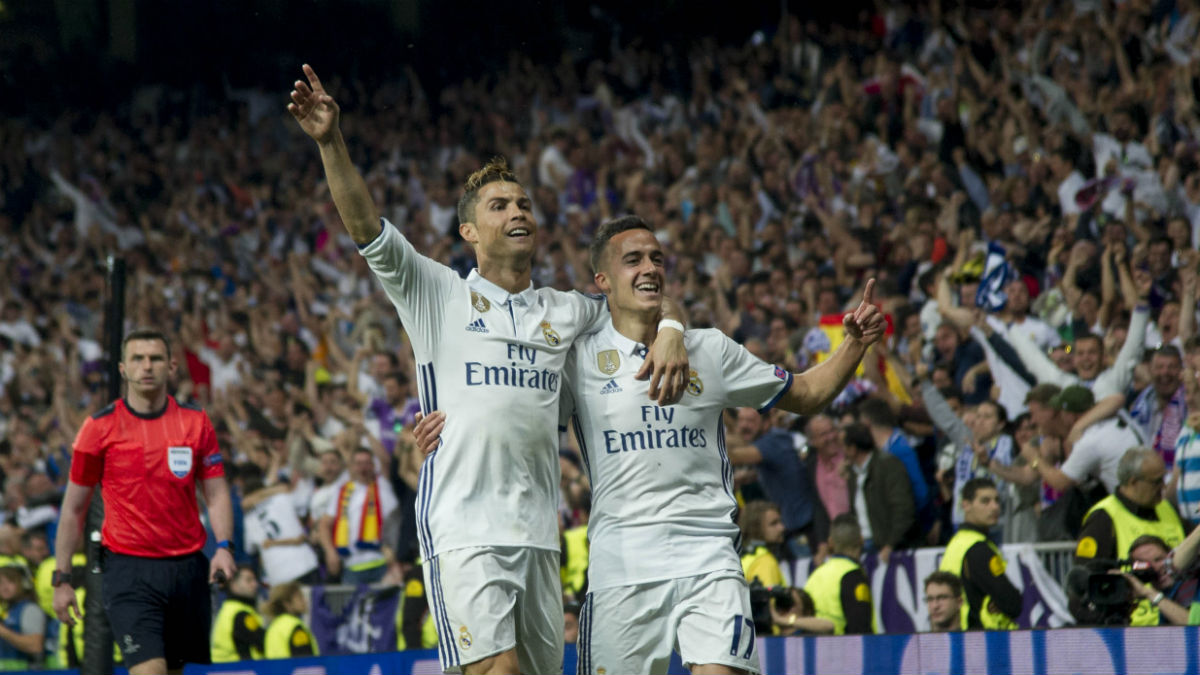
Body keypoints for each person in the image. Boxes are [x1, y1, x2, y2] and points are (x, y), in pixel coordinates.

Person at [288, 65, 688, 675]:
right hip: (463, 527)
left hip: (537, 533)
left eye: (524, 203)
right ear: (470, 230)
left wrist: (671, 331)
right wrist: (330, 142)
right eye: (499, 205)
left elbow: (645, 294)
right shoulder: (437, 294)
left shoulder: (567, 309)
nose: (517, 211)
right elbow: (366, 229)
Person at [553, 217, 884, 673]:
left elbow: (807, 394)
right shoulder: (578, 359)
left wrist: (853, 345)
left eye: (656, 258)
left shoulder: (710, 349)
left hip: (709, 558)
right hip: (621, 567)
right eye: (633, 260)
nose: (649, 267)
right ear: (602, 281)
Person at [51, 328, 236, 675]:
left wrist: (224, 546)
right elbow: (73, 508)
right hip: (129, 570)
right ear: (123, 369)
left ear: (172, 366)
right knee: (149, 671)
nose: (146, 366)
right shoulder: (98, 428)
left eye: (155, 358)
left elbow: (216, 490)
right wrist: (62, 579)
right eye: (137, 358)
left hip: (187, 568)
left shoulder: (196, 423)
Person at [1073, 448, 1186, 582]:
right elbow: (1085, 577)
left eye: (1163, 479)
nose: (1163, 487)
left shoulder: (1167, 508)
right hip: (1135, 601)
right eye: (1156, 482)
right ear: (1133, 482)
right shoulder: (1103, 517)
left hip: (1178, 601)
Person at [938, 478, 1022, 630]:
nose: (995, 507)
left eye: (996, 500)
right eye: (985, 501)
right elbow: (1012, 603)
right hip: (984, 638)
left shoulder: (956, 543)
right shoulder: (979, 549)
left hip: (961, 635)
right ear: (966, 505)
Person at [321, 447, 398, 585]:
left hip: (382, 563)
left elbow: (396, 522)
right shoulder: (342, 491)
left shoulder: (383, 486)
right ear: (351, 467)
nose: (363, 468)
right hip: (351, 567)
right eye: (358, 463)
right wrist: (330, 552)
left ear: (373, 466)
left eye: (367, 463)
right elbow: (324, 524)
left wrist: (393, 551)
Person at [841, 422, 917, 562]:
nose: (841, 452)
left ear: (852, 449)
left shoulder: (888, 465)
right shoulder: (851, 474)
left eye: (843, 447)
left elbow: (903, 508)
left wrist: (890, 544)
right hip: (864, 546)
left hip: (888, 547)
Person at [802, 514, 875, 635]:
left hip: (815, 649)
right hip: (842, 650)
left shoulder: (814, 575)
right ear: (861, 540)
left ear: (830, 542)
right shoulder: (853, 576)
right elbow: (860, 627)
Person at [210, 565, 266, 663]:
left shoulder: (230, 608)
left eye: (255, 580)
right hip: (236, 669)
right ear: (233, 584)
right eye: (249, 580)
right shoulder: (241, 614)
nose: (255, 584)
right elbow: (263, 641)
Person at [0, 565, 45, 670]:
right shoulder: (9, 610)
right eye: (0, 583)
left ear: (23, 584)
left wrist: (3, 631)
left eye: (10, 582)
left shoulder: (30, 609)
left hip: (25, 671)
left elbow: (35, 645)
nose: (4, 587)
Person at [262, 582, 317, 659]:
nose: (305, 601)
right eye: (300, 597)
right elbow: (305, 663)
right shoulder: (294, 626)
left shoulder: (272, 627)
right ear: (287, 604)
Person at [739, 501, 788, 587]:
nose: (782, 528)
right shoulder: (764, 561)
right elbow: (770, 599)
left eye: (780, 521)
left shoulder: (744, 557)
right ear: (755, 528)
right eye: (774, 523)